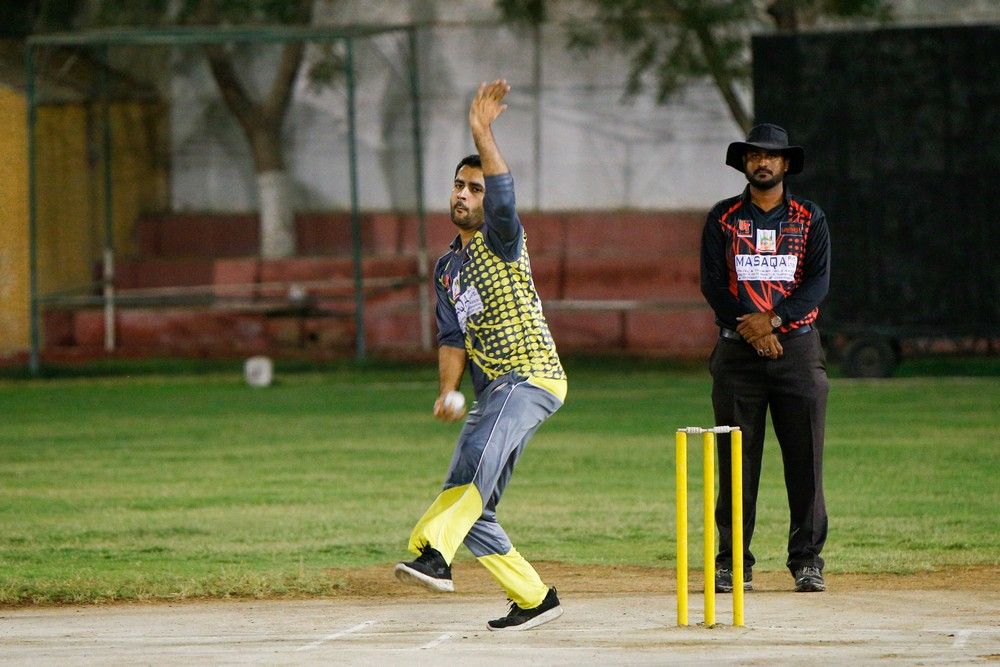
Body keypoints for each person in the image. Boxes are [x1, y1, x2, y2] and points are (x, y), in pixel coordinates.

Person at [394, 79, 568, 631]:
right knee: (473, 501)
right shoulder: (447, 268)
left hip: (531, 376)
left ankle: (434, 555)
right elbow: (452, 338)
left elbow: (505, 193)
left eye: (474, 188)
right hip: (496, 389)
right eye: (458, 186)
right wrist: (447, 390)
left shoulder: (502, 238)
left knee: (471, 468)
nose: (463, 195)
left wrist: (481, 132)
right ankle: (534, 597)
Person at [700, 123, 831, 594]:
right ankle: (733, 562)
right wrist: (752, 330)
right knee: (736, 462)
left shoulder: (809, 217)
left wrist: (772, 322)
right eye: (755, 155)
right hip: (738, 353)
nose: (763, 162)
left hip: (797, 350)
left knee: (805, 460)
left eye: (772, 155)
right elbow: (713, 285)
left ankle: (807, 560)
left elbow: (816, 284)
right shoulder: (723, 217)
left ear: (786, 163)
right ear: (744, 162)